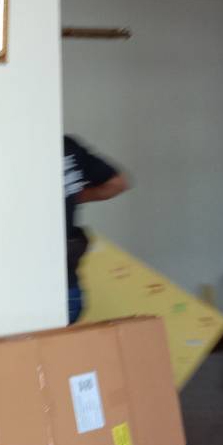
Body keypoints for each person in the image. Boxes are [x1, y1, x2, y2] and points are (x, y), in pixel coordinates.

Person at [64, 135, 130, 324]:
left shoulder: (7, 149)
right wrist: (70, 197)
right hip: (68, 288)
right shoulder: (67, 146)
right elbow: (116, 184)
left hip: (22, 287)